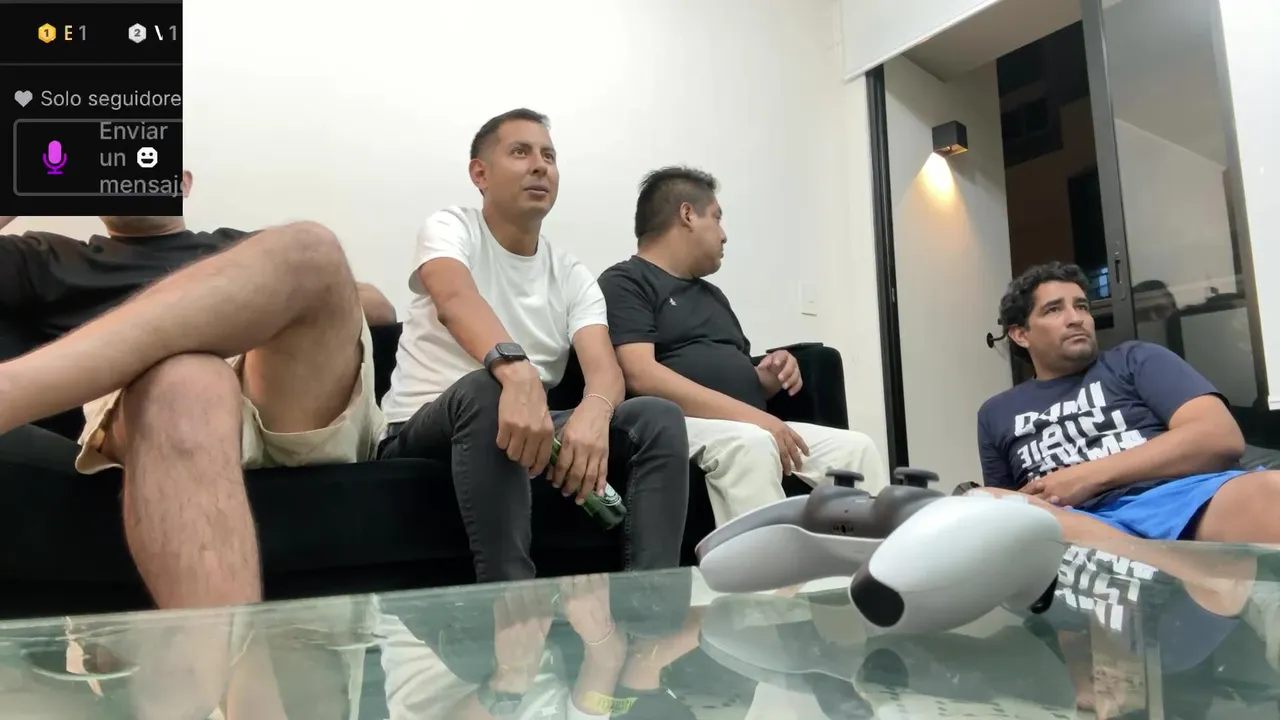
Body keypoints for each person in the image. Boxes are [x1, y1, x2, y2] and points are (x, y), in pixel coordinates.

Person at [0, 174, 389, 613]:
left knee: (312, 248)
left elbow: (378, 308)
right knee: (187, 379)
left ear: (182, 182)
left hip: (281, 404)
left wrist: (241, 304)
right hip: (150, 408)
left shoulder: (239, 249)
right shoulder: (47, 257)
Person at [378, 109, 689, 582]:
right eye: (521, 152)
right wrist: (516, 371)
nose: (540, 165)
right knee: (487, 387)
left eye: (549, 155)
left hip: (528, 427)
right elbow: (454, 299)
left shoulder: (571, 273)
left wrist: (594, 411)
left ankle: (652, 607)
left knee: (658, 417)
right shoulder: (451, 227)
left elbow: (604, 369)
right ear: (480, 173)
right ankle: (513, 605)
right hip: (423, 427)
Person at [597, 166, 887, 526]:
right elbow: (641, 374)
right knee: (752, 444)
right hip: (680, 425)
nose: (724, 235)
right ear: (687, 215)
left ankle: (865, 561)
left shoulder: (713, 296)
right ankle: (768, 565)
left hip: (746, 423)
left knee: (857, 449)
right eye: (717, 218)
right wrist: (759, 420)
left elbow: (740, 373)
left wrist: (770, 374)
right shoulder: (626, 281)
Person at [976, 261, 1280, 544]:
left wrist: (1085, 477)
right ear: (1020, 334)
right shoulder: (996, 413)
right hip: (1067, 520)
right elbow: (1003, 511)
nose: (1076, 318)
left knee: (1271, 491)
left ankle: (1143, 560)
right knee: (981, 504)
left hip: (1173, 499)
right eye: (1054, 310)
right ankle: (1153, 560)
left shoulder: (1136, 360)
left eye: (1081, 306)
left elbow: (1218, 436)